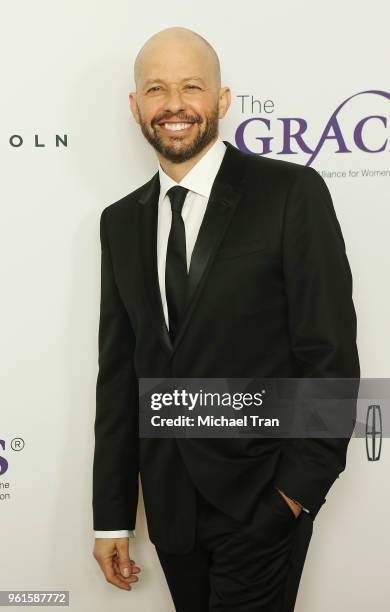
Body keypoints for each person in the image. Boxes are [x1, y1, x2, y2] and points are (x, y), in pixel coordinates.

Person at [92, 26, 360, 611]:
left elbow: (329, 355)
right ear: (135, 106)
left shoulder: (291, 193)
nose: (174, 105)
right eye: (157, 89)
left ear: (222, 99)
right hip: (171, 513)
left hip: (264, 500)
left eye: (192, 86)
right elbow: (119, 378)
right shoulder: (120, 222)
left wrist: (295, 493)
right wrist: (111, 518)